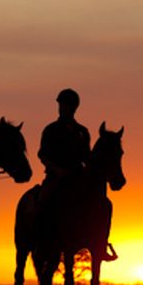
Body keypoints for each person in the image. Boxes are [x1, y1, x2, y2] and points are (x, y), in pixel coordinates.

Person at [37, 88, 116, 261]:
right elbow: (42, 154)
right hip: (55, 177)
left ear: (74, 107)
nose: (64, 108)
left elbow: (86, 156)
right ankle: (40, 237)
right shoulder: (51, 130)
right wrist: (57, 170)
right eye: (62, 105)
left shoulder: (82, 131)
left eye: (68, 105)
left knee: (104, 204)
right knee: (43, 199)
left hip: (78, 177)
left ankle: (100, 244)